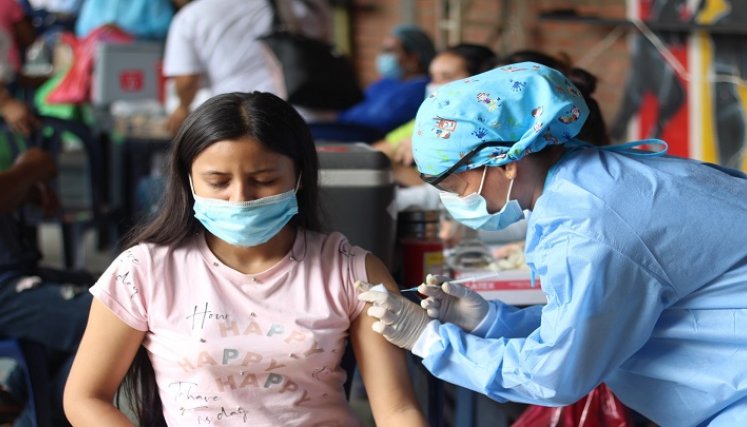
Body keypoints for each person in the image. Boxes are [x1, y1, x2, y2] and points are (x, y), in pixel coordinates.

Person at [357, 62, 747, 426]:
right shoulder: (594, 182)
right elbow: (596, 320)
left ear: (507, 163)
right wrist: (491, 322)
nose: (452, 200)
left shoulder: (588, 228)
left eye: (452, 186)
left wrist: (429, 340)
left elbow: (556, 374)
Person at [63, 91, 427, 426]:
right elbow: (85, 398)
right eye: (218, 182)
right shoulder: (142, 273)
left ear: (299, 177)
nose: (240, 198)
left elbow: (397, 409)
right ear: (188, 182)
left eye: (264, 180)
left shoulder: (352, 271)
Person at [162, 0, 330, 135]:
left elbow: (187, 81)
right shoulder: (296, 5)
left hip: (240, 122)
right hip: (310, 115)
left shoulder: (191, 17)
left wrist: (182, 109)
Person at [313, 24, 435, 143]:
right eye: (383, 50)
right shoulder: (386, 82)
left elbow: (380, 126)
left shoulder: (420, 90)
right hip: (346, 131)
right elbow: (351, 109)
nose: (383, 56)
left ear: (413, 58)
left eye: (390, 51)